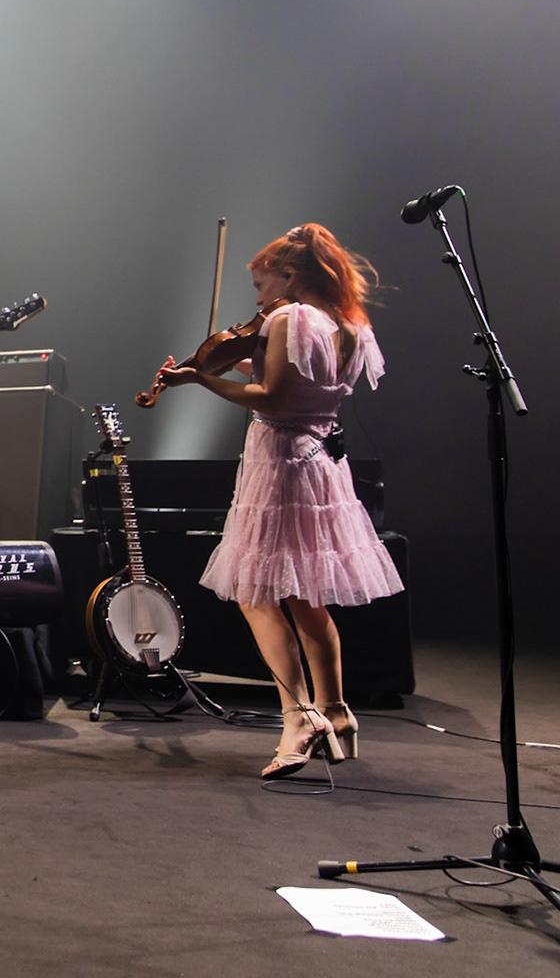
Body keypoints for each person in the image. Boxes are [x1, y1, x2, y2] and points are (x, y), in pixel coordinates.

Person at [155, 223, 401, 779]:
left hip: (282, 463)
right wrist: (228, 364)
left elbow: (271, 396)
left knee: (255, 591)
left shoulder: (290, 317)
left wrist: (199, 378)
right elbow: (294, 379)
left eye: (262, 286)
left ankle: (296, 715)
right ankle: (337, 710)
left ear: (290, 276)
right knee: (307, 594)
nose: (259, 301)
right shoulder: (348, 324)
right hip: (322, 462)